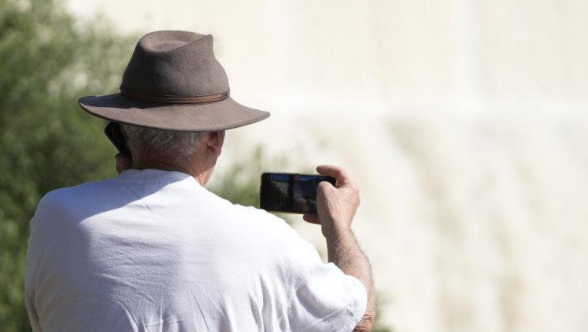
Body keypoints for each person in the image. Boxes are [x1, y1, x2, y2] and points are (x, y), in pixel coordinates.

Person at [25, 30, 376, 331]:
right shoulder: (264, 240)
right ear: (215, 139)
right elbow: (358, 320)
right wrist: (338, 228)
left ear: (123, 131)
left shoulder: (57, 215)